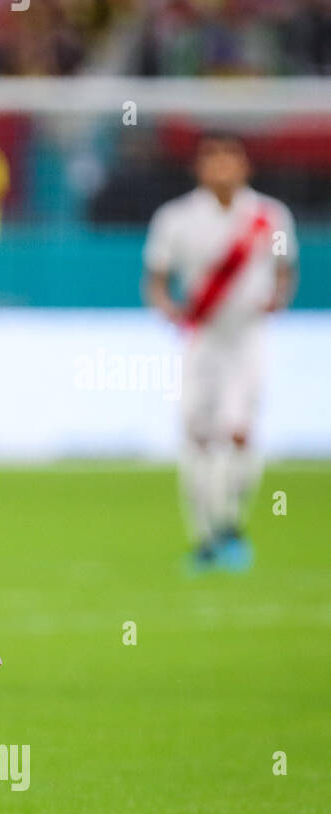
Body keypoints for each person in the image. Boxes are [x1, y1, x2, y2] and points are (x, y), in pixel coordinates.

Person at [143, 131, 298, 573]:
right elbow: (156, 276)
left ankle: (231, 523)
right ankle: (205, 536)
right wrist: (167, 307)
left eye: (231, 159)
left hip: (248, 336)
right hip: (203, 338)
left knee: (239, 432)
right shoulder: (175, 218)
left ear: (245, 166)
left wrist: (278, 297)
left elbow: (285, 271)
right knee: (195, 435)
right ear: (200, 167)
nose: (223, 168)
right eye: (214, 160)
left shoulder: (271, 216)